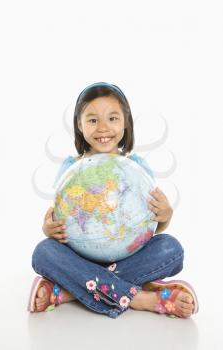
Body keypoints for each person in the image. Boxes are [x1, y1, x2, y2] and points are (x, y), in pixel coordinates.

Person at [28, 82, 199, 319]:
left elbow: (149, 225)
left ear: (126, 123)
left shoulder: (137, 167)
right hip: (81, 256)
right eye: (92, 120)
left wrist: (165, 216)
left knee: (172, 249)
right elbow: (60, 221)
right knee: (43, 252)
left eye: (112, 118)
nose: (103, 128)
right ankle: (141, 298)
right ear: (79, 125)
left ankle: (68, 291)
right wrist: (48, 229)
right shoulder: (71, 168)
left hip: (128, 257)